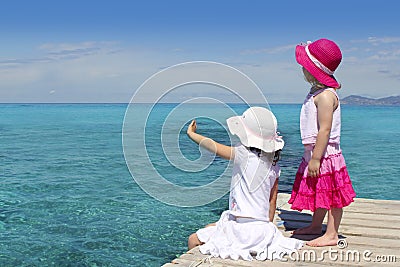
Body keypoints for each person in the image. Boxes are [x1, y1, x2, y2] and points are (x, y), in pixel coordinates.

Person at [186, 107, 303, 261]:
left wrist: (192, 134)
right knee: (211, 227)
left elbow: (213, 146)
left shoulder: (242, 154)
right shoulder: (274, 165)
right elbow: (272, 199)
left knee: (193, 239)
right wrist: (268, 228)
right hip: (262, 229)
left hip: (240, 229)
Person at [288, 38, 356, 247]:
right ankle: (316, 226)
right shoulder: (317, 93)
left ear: (313, 71)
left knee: (333, 195)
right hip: (316, 152)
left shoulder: (326, 96)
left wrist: (316, 158)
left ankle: (332, 234)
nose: (302, 70)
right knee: (321, 191)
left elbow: (325, 129)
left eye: (304, 67)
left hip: (325, 154)